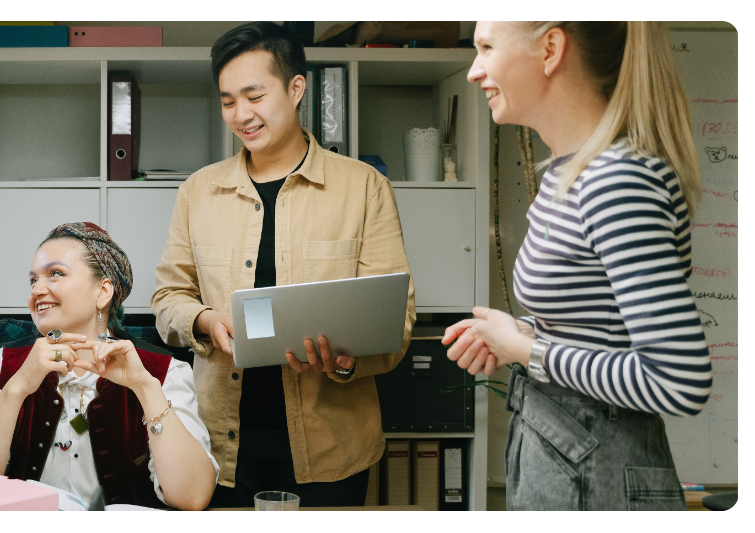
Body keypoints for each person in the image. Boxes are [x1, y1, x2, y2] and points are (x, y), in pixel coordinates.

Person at [445, 21, 709, 510]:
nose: (473, 71)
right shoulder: (568, 172)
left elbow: (679, 380)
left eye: (485, 48)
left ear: (550, 49)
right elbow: (599, 326)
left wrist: (529, 349)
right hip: (564, 457)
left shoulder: (617, 181)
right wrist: (516, 336)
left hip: (598, 475)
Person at [151, 22, 416, 508]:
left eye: (254, 96)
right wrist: (206, 320)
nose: (241, 114)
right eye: (228, 100)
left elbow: (395, 322)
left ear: (296, 89)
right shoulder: (198, 192)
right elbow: (168, 299)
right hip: (219, 444)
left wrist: (344, 361)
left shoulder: (363, 187)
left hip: (332, 447)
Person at [0, 222, 218, 511]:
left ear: (103, 291)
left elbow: (192, 497)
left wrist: (146, 388)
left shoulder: (165, 371)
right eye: (33, 280)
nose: (38, 290)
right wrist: (17, 388)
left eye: (55, 274)